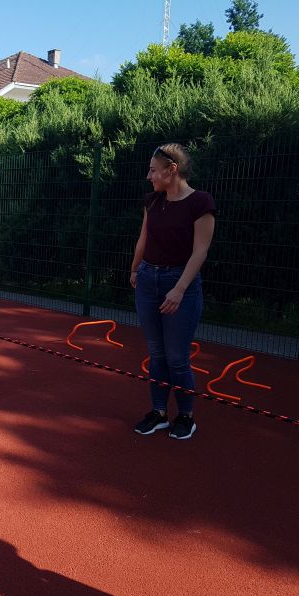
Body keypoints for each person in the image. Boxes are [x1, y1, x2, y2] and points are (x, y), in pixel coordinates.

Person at [130, 143, 216, 440]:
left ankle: (186, 417)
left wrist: (179, 289)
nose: (149, 176)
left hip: (181, 283)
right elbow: (143, 238)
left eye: (153, 170)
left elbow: (200, 251)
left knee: (177, 357)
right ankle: (158, 413)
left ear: (172, 170)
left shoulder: (200, 202)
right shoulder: (153, 201)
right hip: (148, 279)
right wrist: (134, 270)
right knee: (156, 354)